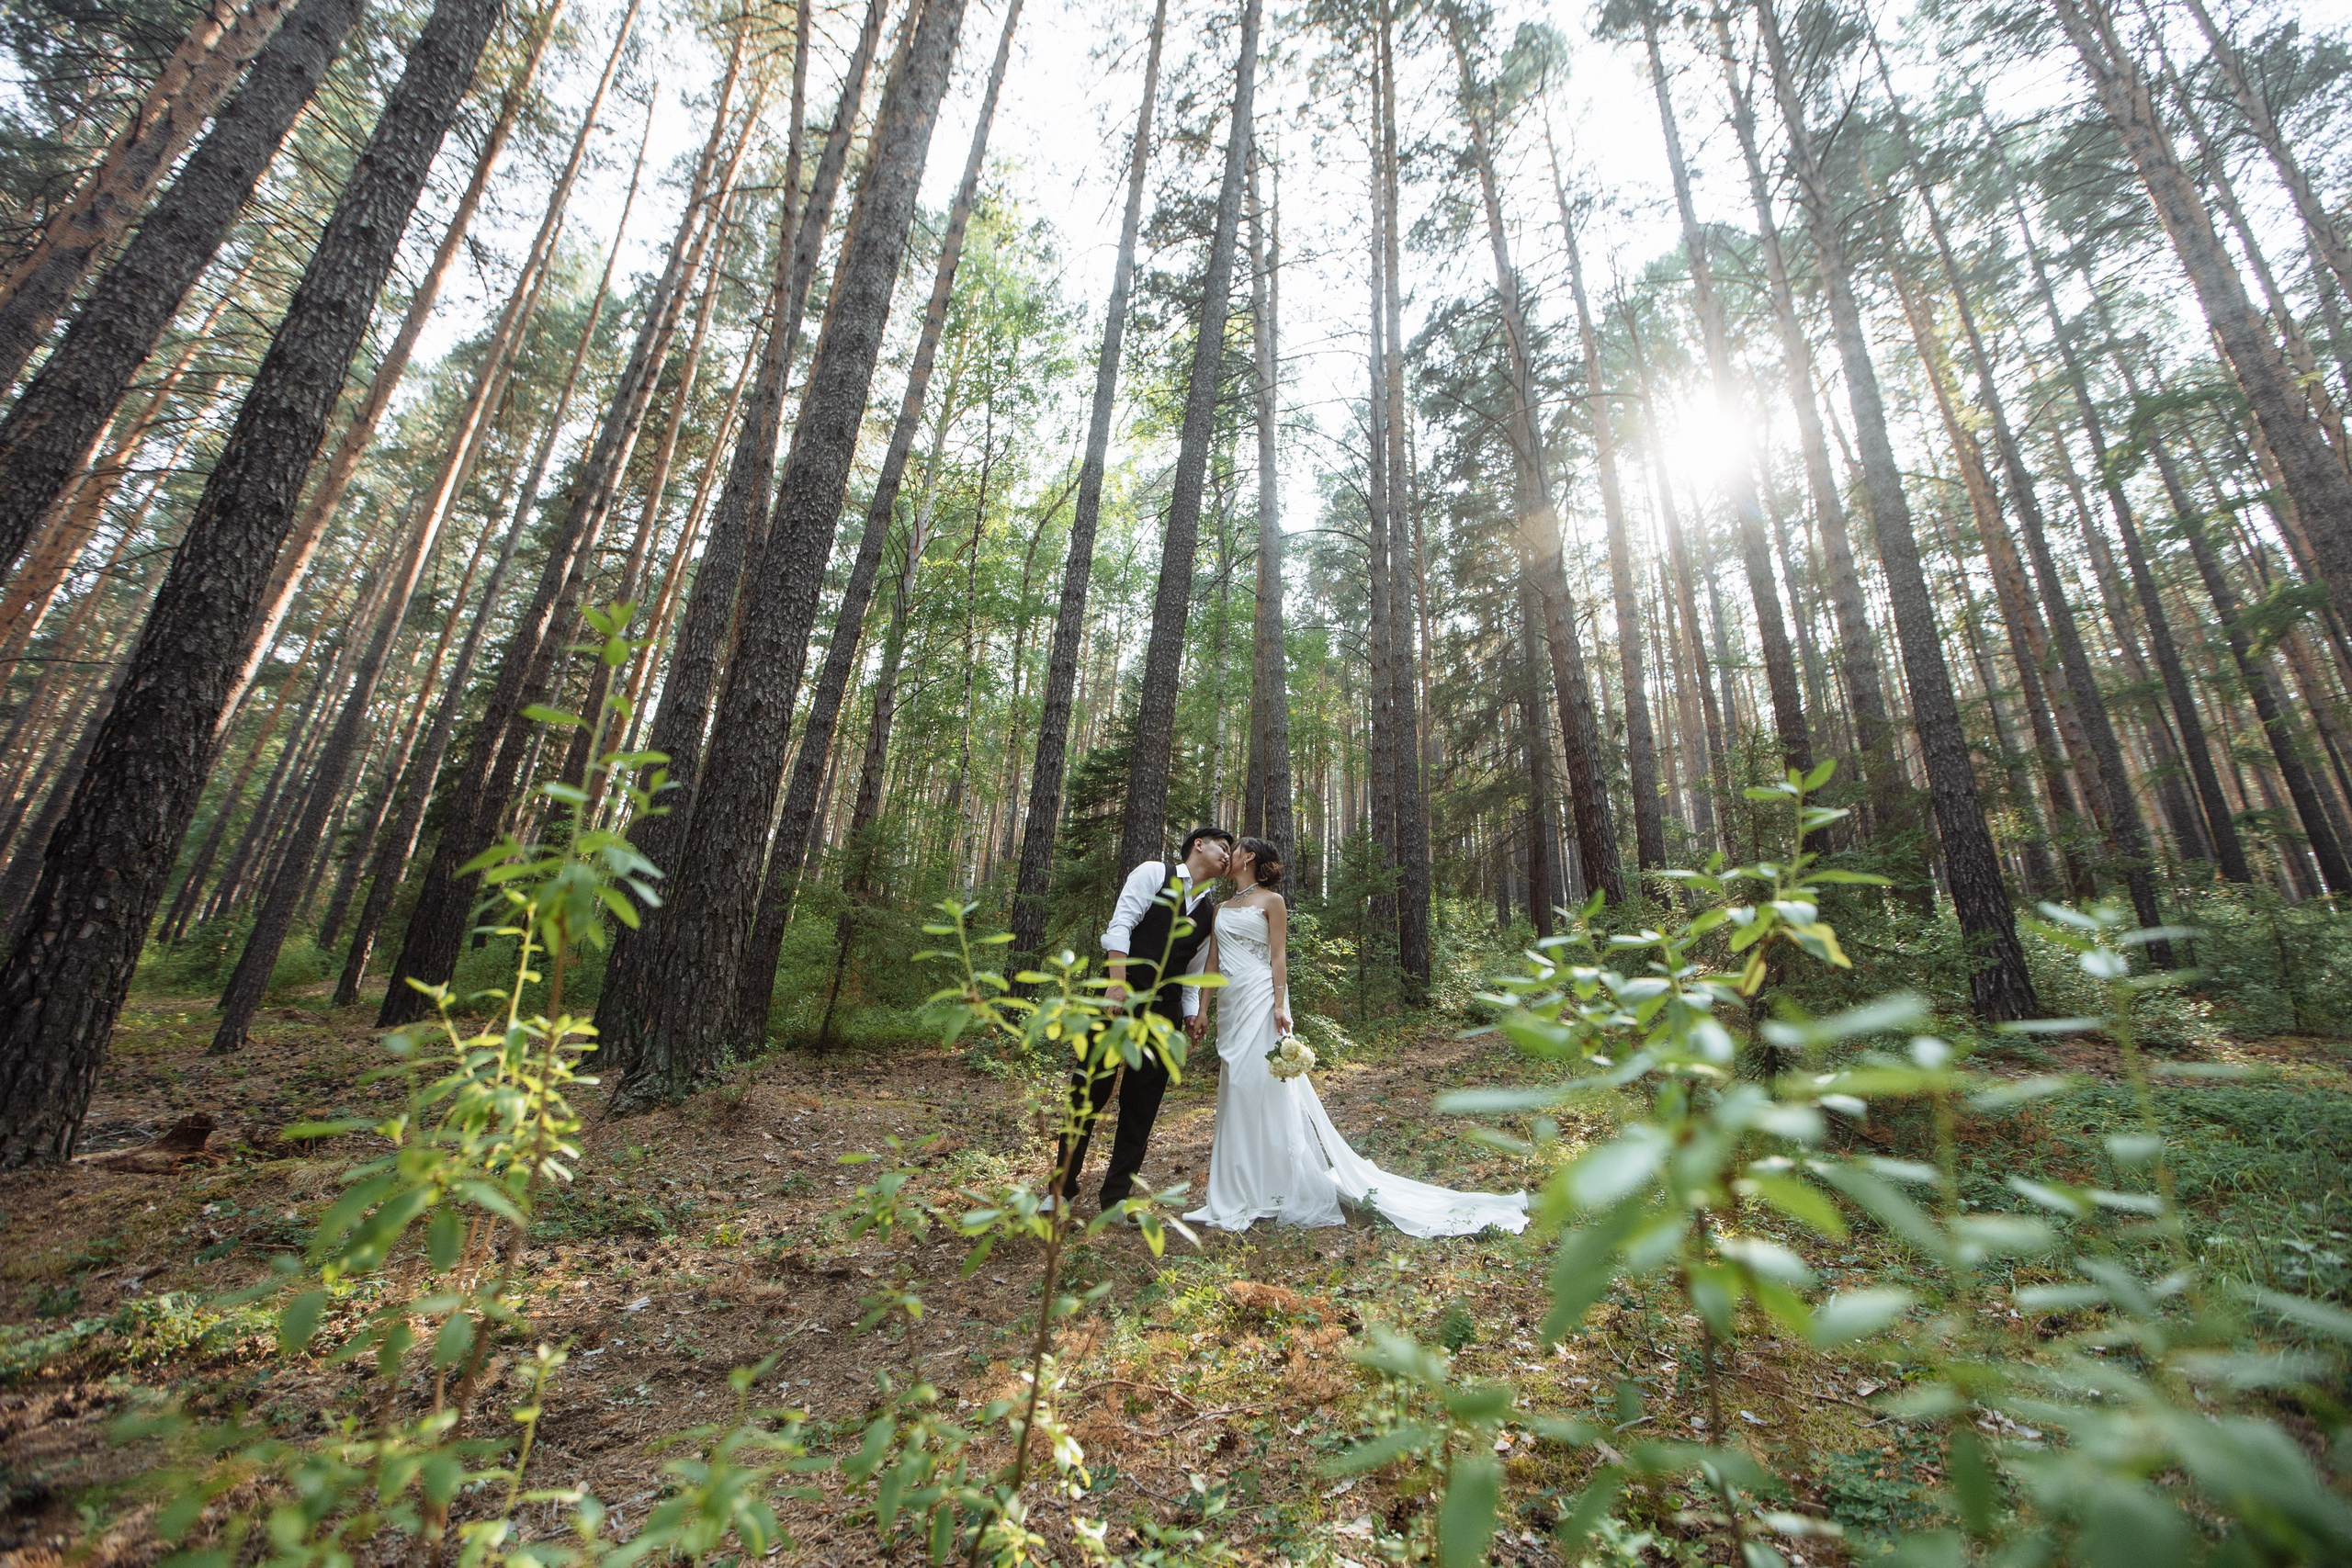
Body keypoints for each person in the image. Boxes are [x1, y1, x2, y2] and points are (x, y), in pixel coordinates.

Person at [1183, 837, 1528, 1238]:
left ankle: (1274, 1188)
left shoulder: (1271, 902)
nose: (1229, 854)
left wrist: (1280, 1004)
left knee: (1262, 1086)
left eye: (1236, 848)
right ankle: (1234, 1190)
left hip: (1261, 998)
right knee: (1235, 1089)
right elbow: (1212, 960)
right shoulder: (1221, 908)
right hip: (1231, 1002)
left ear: (1250, 857)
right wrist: (1203, 1009)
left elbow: (1278, 956)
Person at [1049, 825, 1233, 1212]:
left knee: (1142, 1105)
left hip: (1163, 1015)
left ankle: (1115, 1198)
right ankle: (1061, 1189)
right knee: (1089, 1090)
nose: (1228, 855)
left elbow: (1190, 972)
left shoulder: (1210, 912)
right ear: (1198, 845)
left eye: (1232, 852)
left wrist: (1190, 1015)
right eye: (1223, 846)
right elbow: (1121, 926)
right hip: (1120, 999)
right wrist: (1116, 987)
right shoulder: (1154, 872)